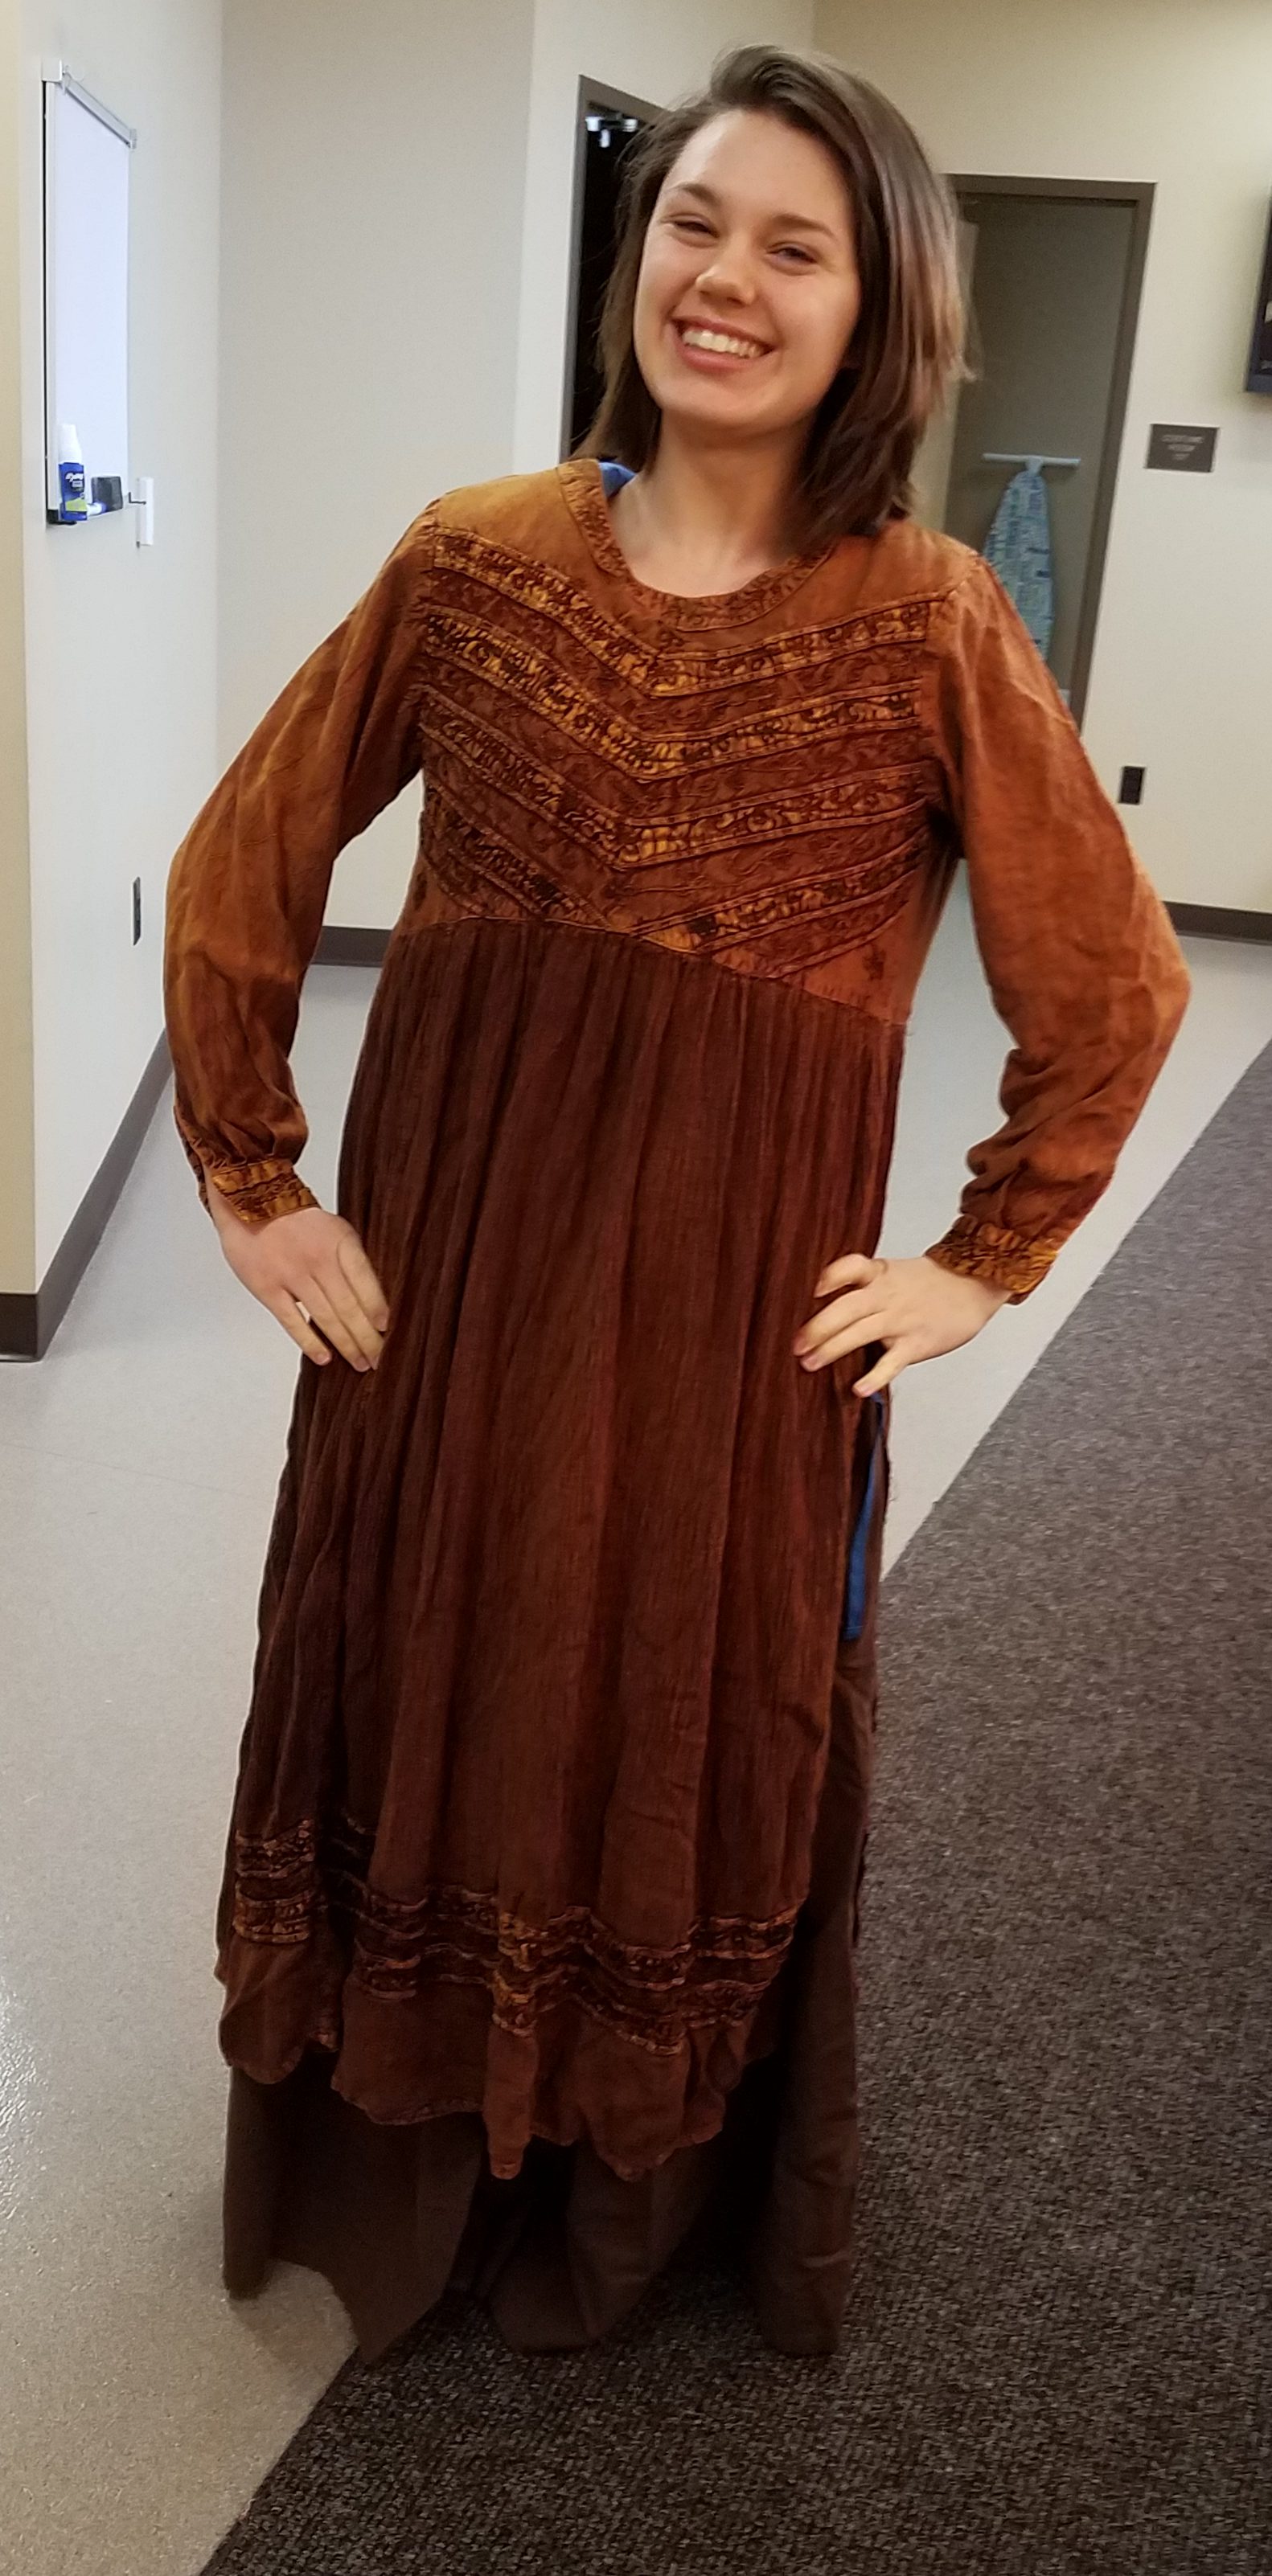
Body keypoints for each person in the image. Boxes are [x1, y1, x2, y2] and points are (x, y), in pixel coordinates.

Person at [164, 43, 1189, 2361]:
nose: (724, 279)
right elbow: (249, 852)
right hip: (446, 1292)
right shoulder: (474, 557)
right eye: (695, 224)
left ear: (876, 309)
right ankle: (397, 2167)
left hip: (727, 1335)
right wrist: (251, 1179)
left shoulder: (928, 620)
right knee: (416, 1655)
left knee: (670, 1701)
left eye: (793, 247)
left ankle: (620, 2204)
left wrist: (982, 1258)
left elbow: (1114, 984)